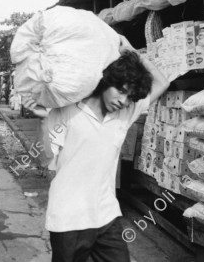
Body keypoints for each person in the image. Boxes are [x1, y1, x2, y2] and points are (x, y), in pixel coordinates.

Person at [24, 35, 169, 262]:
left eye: (130, 97)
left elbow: (163, 83)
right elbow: (44, 159)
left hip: (106, 215)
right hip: (69, 219)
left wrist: (132, 52)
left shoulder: (125, 114)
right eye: (120, 90)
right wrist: (43, 120)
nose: (123, 100)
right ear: (106, 81)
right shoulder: (68, 112)